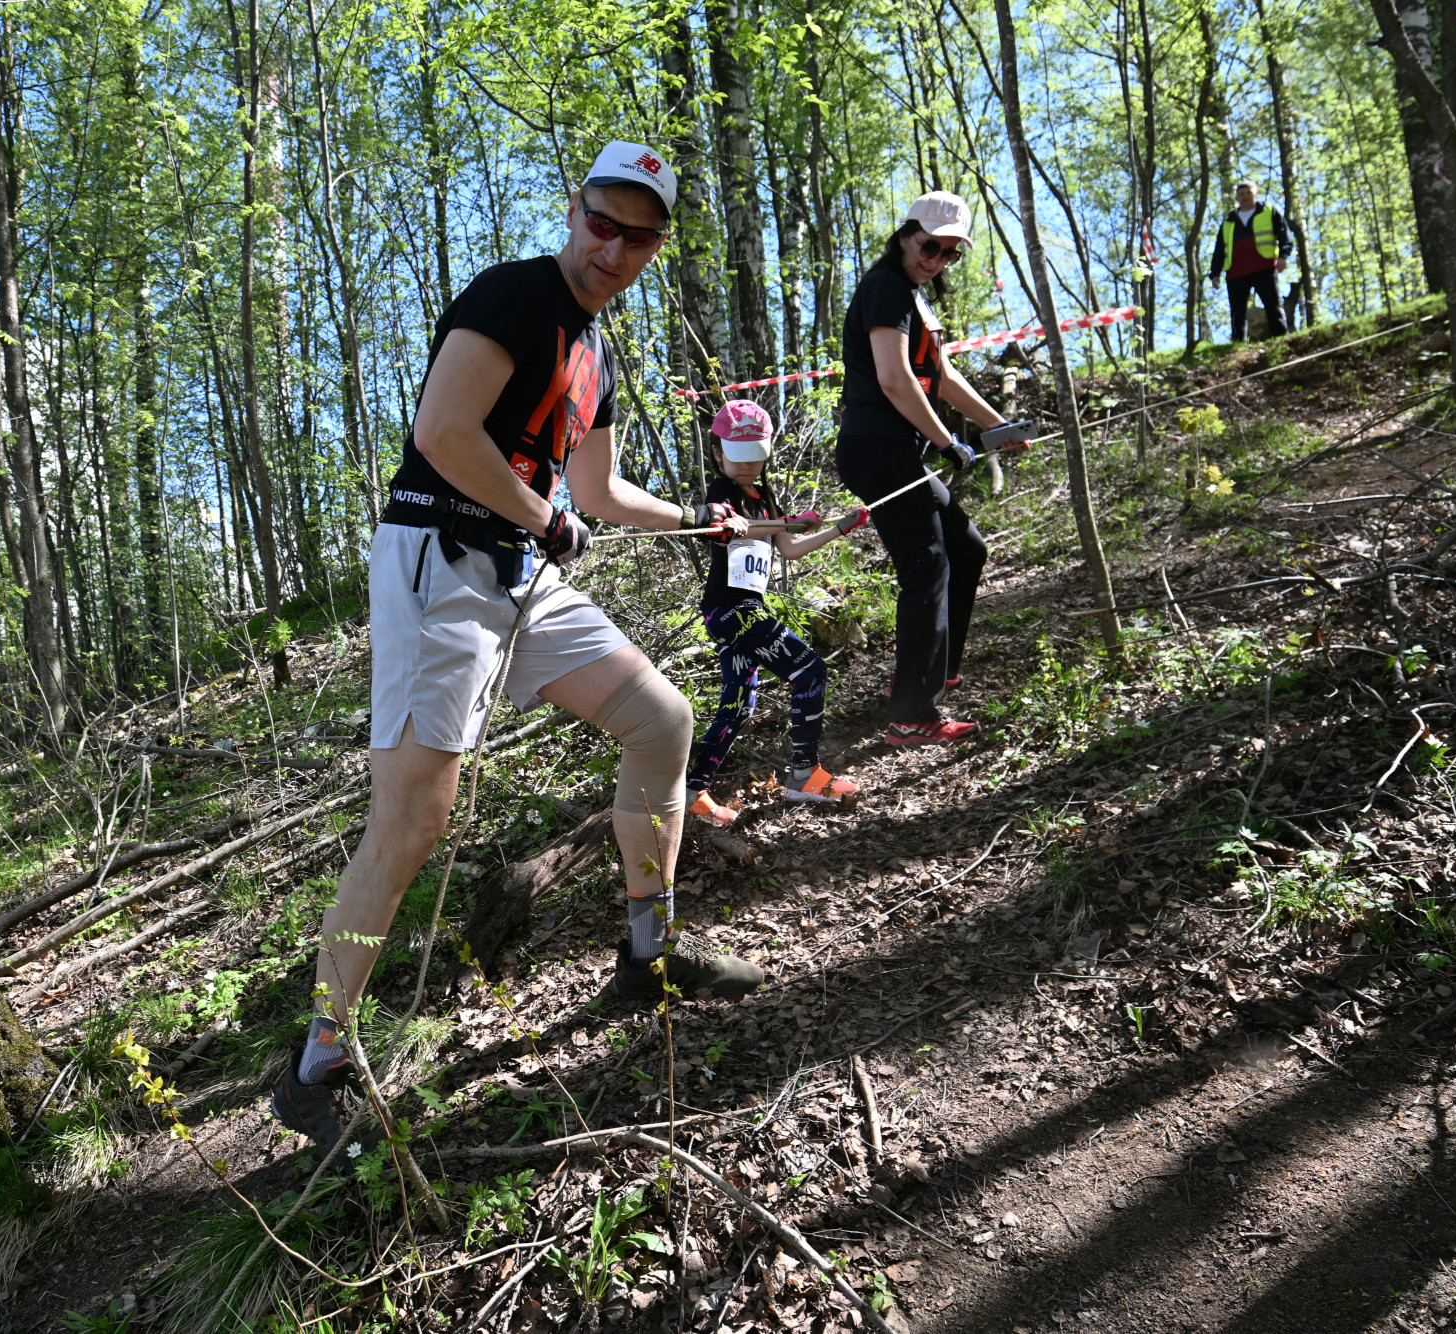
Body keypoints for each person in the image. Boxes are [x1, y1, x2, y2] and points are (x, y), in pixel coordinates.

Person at [274, 141, 764, 1154]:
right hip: (437, 561)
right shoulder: (511, 296)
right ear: (573, 210)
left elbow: (599, 496)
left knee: (659, 718)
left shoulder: (596, 349)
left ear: (654, 248)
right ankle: (318, 1062)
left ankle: (648, 951)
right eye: (600, 219)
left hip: (518, 569)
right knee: (411, 818)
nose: (610, 245)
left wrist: (709, 519)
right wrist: (541, 518)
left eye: (637, 234)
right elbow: (446, 430)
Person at [835, 190, 1021, 746]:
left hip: (898, 450)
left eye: (950, 254)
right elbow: (894, 379)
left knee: (966, 549)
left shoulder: (916, 298)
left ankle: (930, 673)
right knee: (928, 564)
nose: (937, 259)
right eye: (930, 246)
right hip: (877, 446)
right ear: (905, 234)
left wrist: (996, 428)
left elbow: (941, 378)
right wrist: (947, 443)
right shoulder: (886, 287)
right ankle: (913, 712)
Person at [685, 400, 872, 827]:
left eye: (756, 457)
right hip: (730, 610)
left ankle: (692, 790)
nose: (748, 467)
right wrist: (788, 522)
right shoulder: (721, 493)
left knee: (737, 706)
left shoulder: (764, 495)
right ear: (718, 453)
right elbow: (738, 529)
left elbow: (788, 548)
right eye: (738, 458)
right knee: (810, 671)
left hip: (747, 609)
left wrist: (838, 527)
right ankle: (804, 773)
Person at [1208, 179, 1294, 342]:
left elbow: (1284, 234)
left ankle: (1282, 339)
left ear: (1256, 193)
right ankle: (1238, 344)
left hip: (1264, 267)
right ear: (1237, 198)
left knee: (1273, 305)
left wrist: (1283, 256)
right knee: (1237, 312)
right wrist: (1215, 274)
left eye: (1249, 193)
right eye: (1241, 194)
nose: (1245, 196)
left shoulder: (1269, 211)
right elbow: (1219, 249)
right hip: (1236, 272)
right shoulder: (1229, 220)